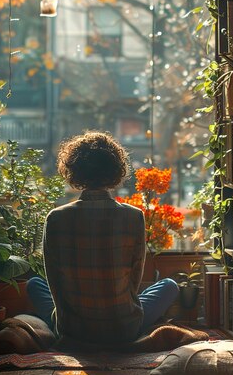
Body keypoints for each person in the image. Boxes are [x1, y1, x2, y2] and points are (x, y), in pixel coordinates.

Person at [26, 130, 180, 348]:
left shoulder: (56, 218)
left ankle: (63, 331)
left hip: (73, 330)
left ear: (73, 171)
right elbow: (133, 283)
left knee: (34, 284)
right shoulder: (133, 216)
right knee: (170, 286)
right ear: (116, 170)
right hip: (123, 329)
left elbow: (55, 283)